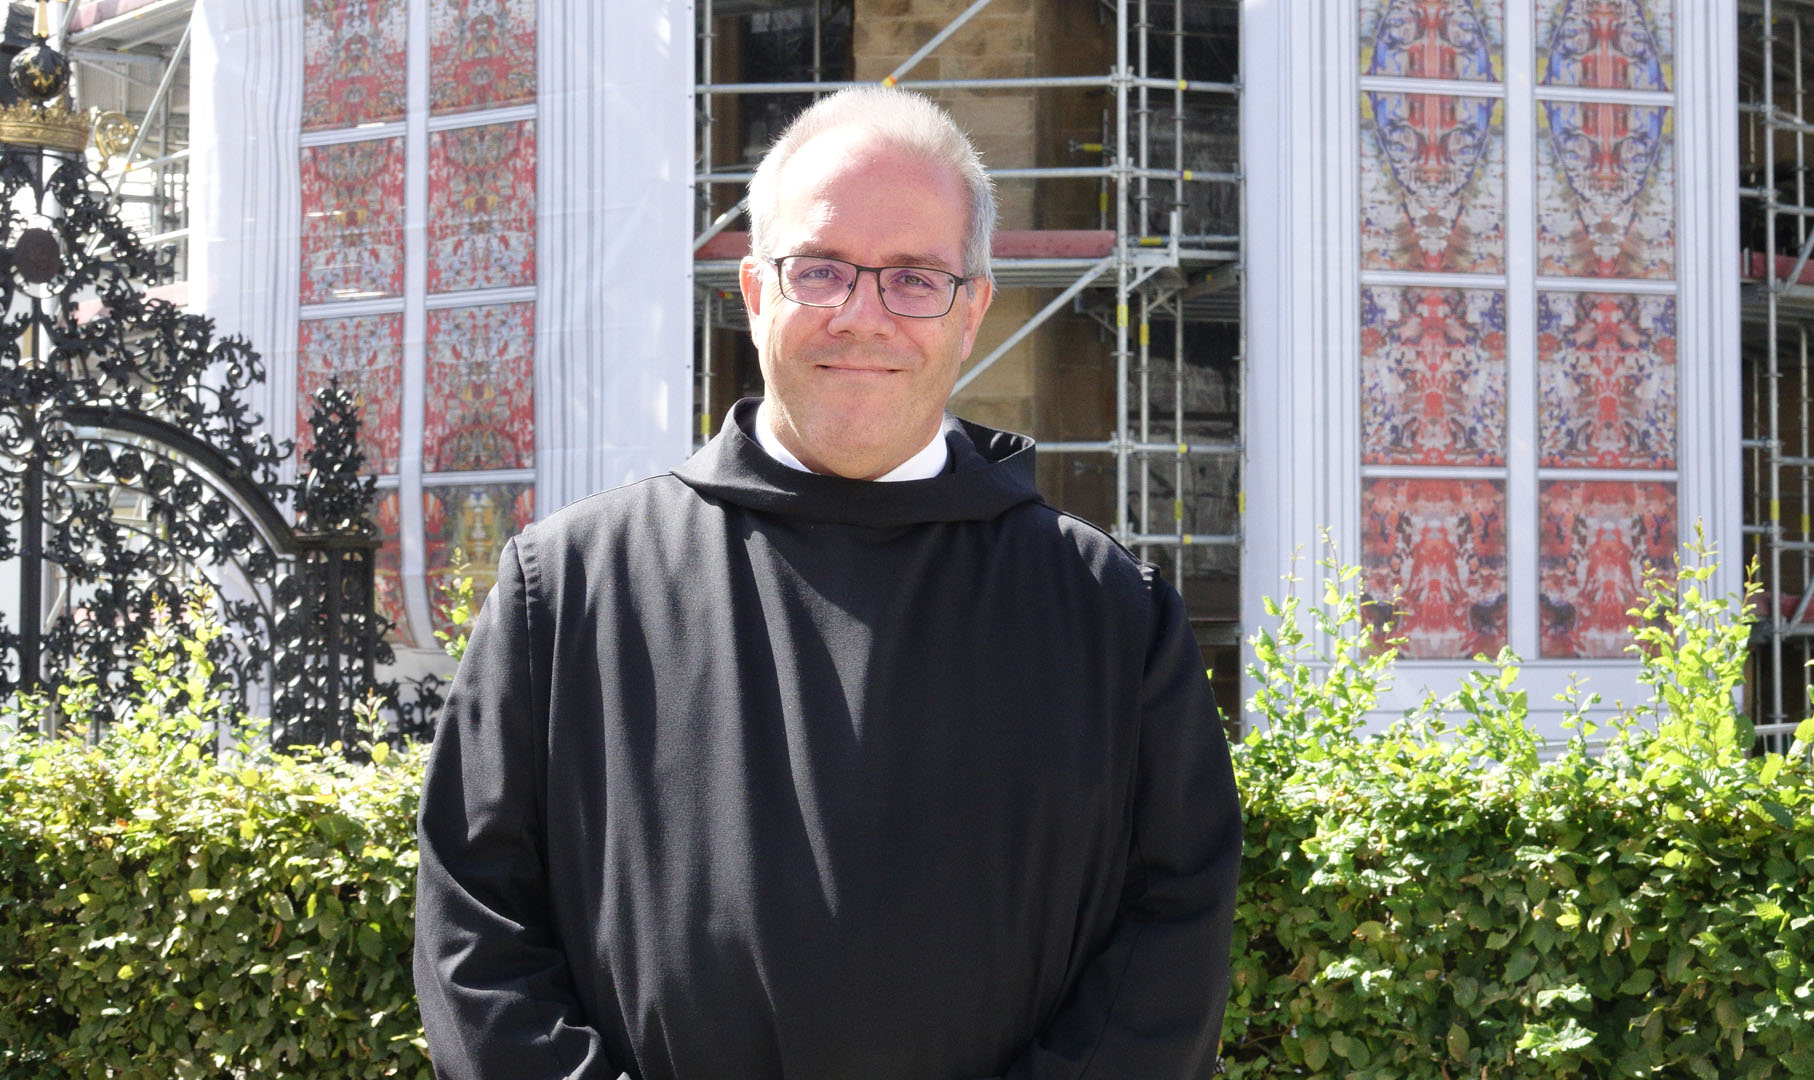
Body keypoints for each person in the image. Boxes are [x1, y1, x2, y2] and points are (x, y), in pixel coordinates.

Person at [413, 86, 1242, 1080]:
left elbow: (1171, 936)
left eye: (915, 279)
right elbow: (478, 934)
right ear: (755, 292)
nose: (862, 316)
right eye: (821, 271)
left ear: (972, 310)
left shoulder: (1110, 615)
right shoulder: (568, 592)